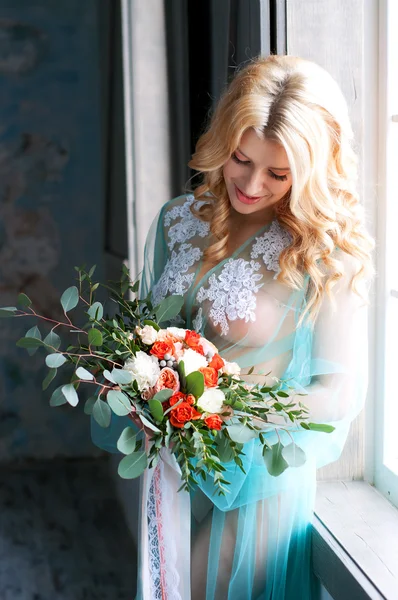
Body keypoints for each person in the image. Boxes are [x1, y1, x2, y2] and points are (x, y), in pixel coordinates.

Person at [93, 54, 374, 599]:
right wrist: (141, 378)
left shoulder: (323, 251)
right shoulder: (179, 219)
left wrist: (226, 404)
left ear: (312, 171)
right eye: (241, 159)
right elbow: (150, 335)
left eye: (278, 173)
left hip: (261, 477)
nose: (251, 183)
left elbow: (339, 394)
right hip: (176, 463)